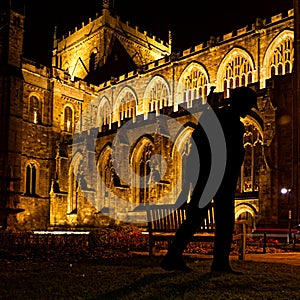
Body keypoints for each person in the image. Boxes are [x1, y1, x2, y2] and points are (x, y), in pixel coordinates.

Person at [160, 86, 258, 273]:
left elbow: (195, 146)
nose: (249, 110)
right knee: (222, 221)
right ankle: (217, 263)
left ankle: (174, 257)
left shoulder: (214, 118)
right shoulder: (230, 122)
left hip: (209, 176)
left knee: (198, 218)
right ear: (240, 103)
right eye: (248, 105)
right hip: (218, 178)